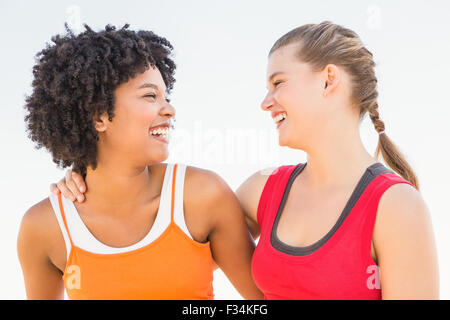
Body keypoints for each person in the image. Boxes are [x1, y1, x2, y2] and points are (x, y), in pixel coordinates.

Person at [53, 22, 439, 300]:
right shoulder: (262, 190)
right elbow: (169, 248)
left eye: (278, 83)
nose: (266, 102)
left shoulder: (396, 207)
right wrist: (90, 175)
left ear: (328, 80)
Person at [18, 24, 263, 300]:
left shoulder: (203, 195)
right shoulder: (42, 227)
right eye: (150, 96)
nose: (169, 109)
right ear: (99, 117)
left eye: (165, 96)